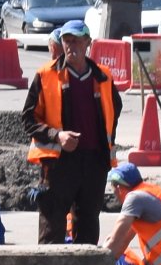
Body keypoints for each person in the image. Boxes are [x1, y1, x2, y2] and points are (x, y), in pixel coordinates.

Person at [26, 19, 119, 244]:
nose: (71, 46)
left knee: (88, 224)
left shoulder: (103, 76)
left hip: (94, 163)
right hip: (59, 164)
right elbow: (28, 119)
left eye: (76, 41)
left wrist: (104, 151)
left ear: (88, 43)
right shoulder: (46, 75)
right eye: (67, 41)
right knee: (52, 224)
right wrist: (57, 136)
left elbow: (114, 111)